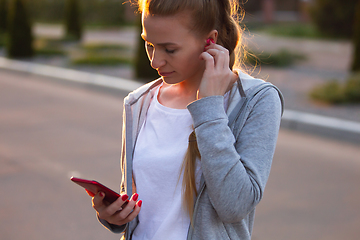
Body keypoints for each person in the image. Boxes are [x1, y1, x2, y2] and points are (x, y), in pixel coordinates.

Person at [87, 0, 283, 239]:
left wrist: (209, 108)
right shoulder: (139, 103)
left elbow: (235, 206)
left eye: (169, 49)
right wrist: (115, 215)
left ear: (210, 40)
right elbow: (141, 199)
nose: (154, 61)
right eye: (148, 45)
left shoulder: (254, 100)